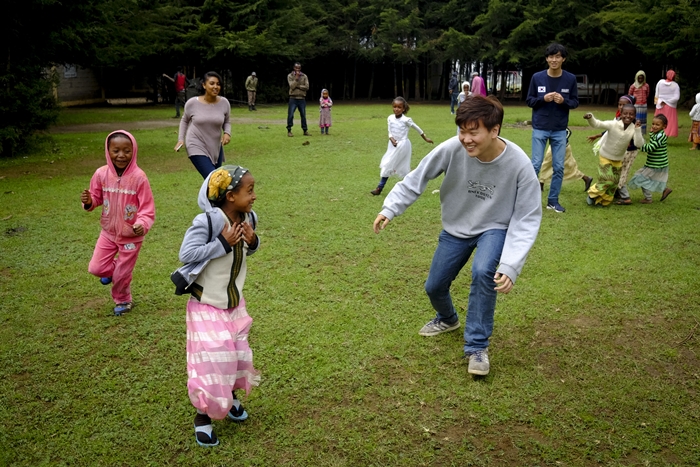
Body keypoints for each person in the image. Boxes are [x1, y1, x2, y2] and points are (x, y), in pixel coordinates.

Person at [372, 95, 542, 376]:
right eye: (462, 130)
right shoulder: (452, 148)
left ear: (494, 130)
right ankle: (448, 318)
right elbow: (418, 177)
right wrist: (390, 209)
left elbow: (527, 217)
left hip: (494, 227)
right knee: (434, 286)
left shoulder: (519, 164)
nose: (466, 138)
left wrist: (511, 264)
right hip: (456, 227)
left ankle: (477, 346)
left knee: (484, 271)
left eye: (473, 131)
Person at [179, 165, 261, 447]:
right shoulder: (208, 222)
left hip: (234, 305)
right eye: (249, 191)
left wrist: (253, 241)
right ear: (229, 196)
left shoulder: (249, 217)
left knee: (237, 356)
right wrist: (221, 243)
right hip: (206, 304)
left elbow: (247, 249)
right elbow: (187, 253)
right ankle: (202, 416)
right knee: (213, 361)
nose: (253, 197)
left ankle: (231, 398)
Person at [81, 131, 155, 316]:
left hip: (131, 236)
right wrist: (89, 201)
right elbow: (96, 197)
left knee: (123, 274)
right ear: (108, 151)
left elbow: (147, 208)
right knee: (96, 268)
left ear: (134, 151)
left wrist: (141, 224)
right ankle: (112, 272)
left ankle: (123, 300)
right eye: (116, 150)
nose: (121, 155)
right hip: (108, 233)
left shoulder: (139, 178)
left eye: (127, 151)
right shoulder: (101, 174)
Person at [526, 43, 579, 213]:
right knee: (535, 165)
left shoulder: (570, 79)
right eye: (551, 56)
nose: (554, 60)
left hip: (559, 129)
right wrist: (543, 99)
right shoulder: (537, 77)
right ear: (547, 59)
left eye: (558, 57)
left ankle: (553, 201)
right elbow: (530, 101)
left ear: (563, 59)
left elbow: (575, 102)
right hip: (540, 127)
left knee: (559, 166)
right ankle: (528, 202)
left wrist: (564, 101)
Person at [370, 97, 433, 196]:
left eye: (399, 107)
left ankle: (381, 188)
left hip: (403, 145)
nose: (396, 109)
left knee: (395, 166)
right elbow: (389, 130)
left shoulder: (406, 120)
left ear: (403, 109)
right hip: (392, 145)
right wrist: (391, 138)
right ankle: (381, 188)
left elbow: (418, 129)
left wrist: (425, 138)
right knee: (389, 165)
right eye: (394, 107)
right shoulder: (390, 118)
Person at [584, 105, 644, 206]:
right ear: (621, 114)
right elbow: (597, 124)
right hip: (605, 155)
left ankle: (603, 201)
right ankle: (592, 194)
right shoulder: (613, 124)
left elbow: (639, 144)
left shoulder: (633, 129)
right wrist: (590, 118)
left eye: (631, 114)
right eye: (625, 113)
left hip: (618, 159)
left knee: (614, 183)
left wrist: (638, 130)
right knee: (607, 178)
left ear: (635, 116)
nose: (628, 116)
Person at [176, 71, 232, 179]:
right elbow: (184, 121)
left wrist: (227, 133)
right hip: (195, 144)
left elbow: (227, 121)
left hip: (216, 146)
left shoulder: (224, 103)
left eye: (218, 84)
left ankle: (207, 197)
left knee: (212, 183)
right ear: (204, 85)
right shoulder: (192, 103)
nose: (215, 86)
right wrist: (180, 139)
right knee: (214, 178)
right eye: (212, 83)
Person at [628, 114, 672, 204]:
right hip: (652, 163)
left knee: (642, 179)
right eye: (653, 124)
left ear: (664, 126)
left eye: (657, 125)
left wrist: (640, 146)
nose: (654, 126)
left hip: (657, 164)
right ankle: (665, 189)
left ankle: (648, 198)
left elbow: (651, 147)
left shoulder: (661, 136)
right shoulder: (656, 134)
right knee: (645, 178)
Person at [538, 128, 593, 193]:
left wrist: (560, 141)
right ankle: (586, 178)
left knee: (546, 164)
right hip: (558, 146)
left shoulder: (558, 121)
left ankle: (541, 185)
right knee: (568, 166)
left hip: (561, 147)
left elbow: (568, 131)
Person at [287, 62, 310, 137]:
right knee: (290, 115)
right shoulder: (290, 76)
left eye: (299, 68)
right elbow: (292, 86)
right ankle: (289, 130)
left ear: (300, 68)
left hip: (302, 98)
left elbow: (307, 87)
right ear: (294, 68)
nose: (297, 69)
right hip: (293, 98)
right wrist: (296, 79)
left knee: (303, 115)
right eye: (296, 68)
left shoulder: (304, 76)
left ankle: (305, 130)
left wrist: (298, 86)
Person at [654, 70, 680, 137]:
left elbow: (656, 93)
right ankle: (666, 134)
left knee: (659, 120)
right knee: (669, 121)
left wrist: (657, 102)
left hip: (660, 105)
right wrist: (668, 101)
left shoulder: (660, 82)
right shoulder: (675, 85)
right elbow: (676, 97)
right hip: (670, 106)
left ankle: (658, 133)